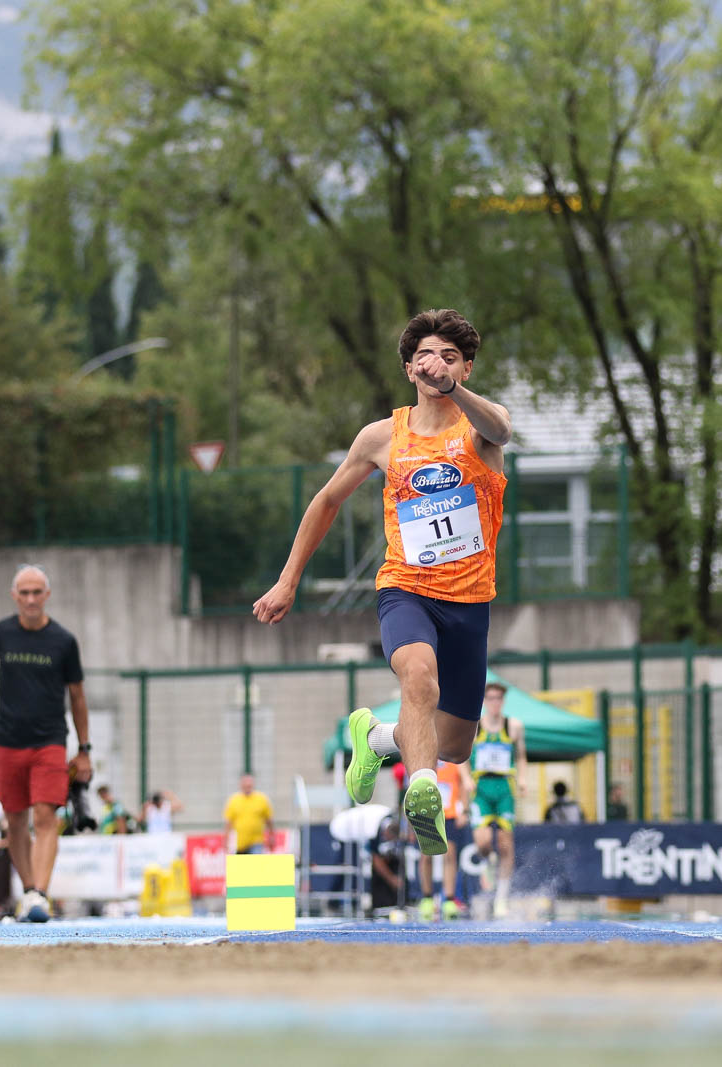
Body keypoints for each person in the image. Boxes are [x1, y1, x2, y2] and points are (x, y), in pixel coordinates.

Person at [253, 309, 511, 859]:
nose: (436, 364)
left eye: (449, 357)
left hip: (469, 601)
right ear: (409, 369)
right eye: (425, 356)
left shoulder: (479, 428)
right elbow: (327, 501)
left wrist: (455, 393)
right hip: (406, 589)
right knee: (418, 676)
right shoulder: (381, 437)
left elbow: (502, 430)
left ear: (465, 368)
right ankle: (423, 793)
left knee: (456, 745)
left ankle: (374, 737)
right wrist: (287, 581)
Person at [0, 564, 92, 923]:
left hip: (49, 742)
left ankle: (40, 893)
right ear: (14, 596)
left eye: (36, 592)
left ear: (47, 595)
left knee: (45, 815)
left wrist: (84, 749)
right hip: (7, 741)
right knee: (15, 820)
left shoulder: (64, 641)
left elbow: (77, 696)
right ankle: (28, 891)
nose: (30, 599)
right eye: (24, 593)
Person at [470, 681, 527, 918]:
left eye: (498, 699)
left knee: (505, 843)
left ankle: (501, 899)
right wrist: (465, 779)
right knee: (483, 842)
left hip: (504, 787)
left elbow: (521, 756)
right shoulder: (475, 726)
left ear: (503, 701)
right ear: (484, 701)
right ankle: (489, 861)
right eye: (491, 698)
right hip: (481, 788)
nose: (495, 703)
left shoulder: (513, 726)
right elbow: (462, 756)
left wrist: (523, 778)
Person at [418, 759, 474, 920]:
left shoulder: (454, 755)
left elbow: (464, 783)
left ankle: (449, 899)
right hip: (427, 810)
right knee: (426, 855)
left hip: (449, 812)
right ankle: (427, 898)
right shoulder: (425, 753)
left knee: (449, 854)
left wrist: (464, 809)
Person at [223, 774, 275, 854]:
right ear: (241, 785)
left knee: (255, 861)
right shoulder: (234, 800)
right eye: (245, 784)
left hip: (257, 842)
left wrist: (271, 837)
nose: (247, 786)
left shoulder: (261, 799)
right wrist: (226, 841)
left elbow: (269, 820)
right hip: (239, 844)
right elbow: (228, 823)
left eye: (249, 784)